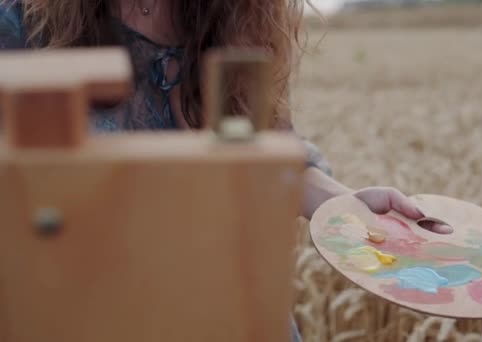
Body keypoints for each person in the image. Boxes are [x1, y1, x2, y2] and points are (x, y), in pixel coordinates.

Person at [0, 1, 453, 340]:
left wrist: (343, 204)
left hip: (235, 313)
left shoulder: (242, 16)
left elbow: (269, 154)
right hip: (94, 317)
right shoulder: (21, 24)